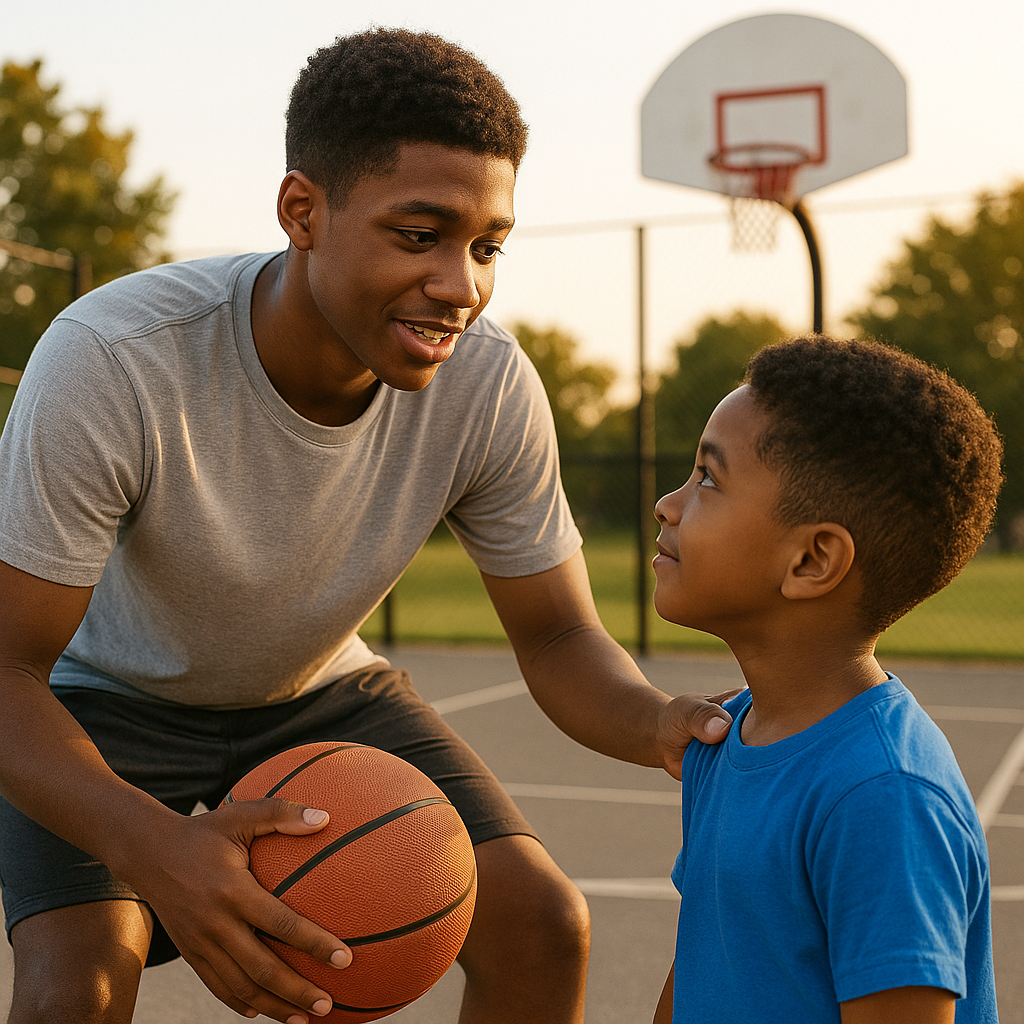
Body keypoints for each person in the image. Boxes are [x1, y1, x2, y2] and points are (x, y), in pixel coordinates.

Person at [0, 27, 732, 1024]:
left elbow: (558, 634)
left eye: (486, 247)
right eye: (418, 233)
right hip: (106, 699)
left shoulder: (485, 384)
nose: (460, 284)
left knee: (543, 922)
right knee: (76, 981)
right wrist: (153, 844)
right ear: (303, 210)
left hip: (322, 691)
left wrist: (657, 722)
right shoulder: (116, 359)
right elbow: (5, 672)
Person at [650, 335, 1003, 1024]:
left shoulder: (883, 796)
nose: (668, 503)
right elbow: (703, 963)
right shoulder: (727, 736)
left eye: (708, 479)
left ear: (812, 560)